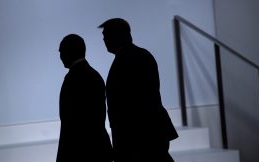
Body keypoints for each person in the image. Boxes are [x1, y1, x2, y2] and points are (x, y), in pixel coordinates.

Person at [98, 18, 178, 162]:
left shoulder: (125, 60)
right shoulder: (140, 55)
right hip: (148, 132)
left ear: (116, 36)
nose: (104, 40)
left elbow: (132, 102)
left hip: (138, 136)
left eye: (106, 36)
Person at [56, 34, 112, 162]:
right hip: (98, 148)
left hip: (79, 151)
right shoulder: (94, 75)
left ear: (68, 53)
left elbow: (70, 123)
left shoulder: (72, 79)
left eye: (61, 52)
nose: (60, 57)